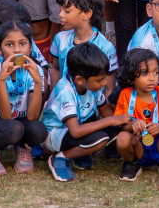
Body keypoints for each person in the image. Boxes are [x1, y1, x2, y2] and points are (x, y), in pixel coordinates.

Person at [0, 19, 48, 175]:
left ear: (30, 47)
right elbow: (6, 116)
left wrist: (38, 81)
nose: (16, 50)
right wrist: (1, 79)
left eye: (22, 44)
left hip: (19, 121)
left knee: (39, 130)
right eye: (9, 45)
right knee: (14, 128)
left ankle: (23, 148)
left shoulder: (35, 70)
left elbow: (33, 116)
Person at [41, 40, 121, 182]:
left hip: (78, 126)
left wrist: (126, 122)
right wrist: (110, 120)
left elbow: (106, 112)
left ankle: (79, 154)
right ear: (79, 79)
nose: (104, 83)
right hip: (57, 132)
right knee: (101, 138)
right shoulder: (65, 91)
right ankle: (60, 157)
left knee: (117, 131)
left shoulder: (92, 86)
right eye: (100, 80)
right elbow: (76, 131)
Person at [114, 47, 159, 181]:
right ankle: (131, 163)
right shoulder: (126, 94)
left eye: (156, 72)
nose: (152, 78)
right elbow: (123, 127)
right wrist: (133, 124)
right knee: (122, 137)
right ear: (130, 78)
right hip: (138, 144)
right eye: (145, 73)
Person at [47, 0, 117, 90]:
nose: (60, 14)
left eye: (67, 11)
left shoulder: (105, 47)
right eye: (60, 10)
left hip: (94, 105)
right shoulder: (60, 39)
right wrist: (55, 97)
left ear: (87, 14)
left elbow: (109, 86)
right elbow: (56, 69)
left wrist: (103, 106)